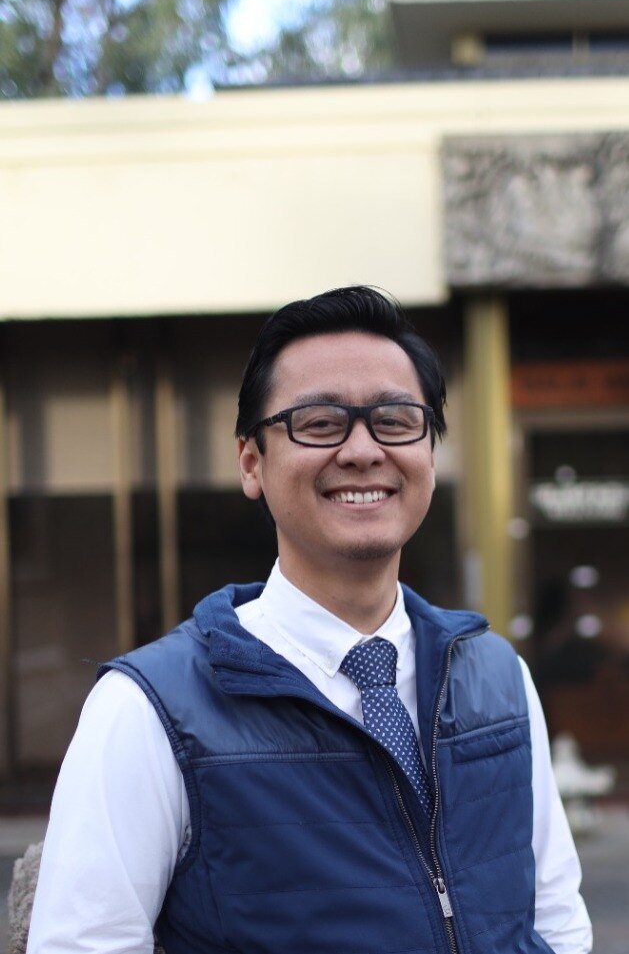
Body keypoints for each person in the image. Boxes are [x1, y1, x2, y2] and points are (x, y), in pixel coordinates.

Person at [26, 286, 591, 954]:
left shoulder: (498, 677)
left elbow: (554, 921)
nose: (361, 449)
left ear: (430, 456)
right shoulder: (148, 710)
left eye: (395, 418)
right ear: (250, 461)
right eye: (319, 422)